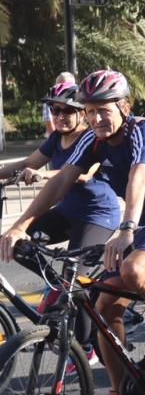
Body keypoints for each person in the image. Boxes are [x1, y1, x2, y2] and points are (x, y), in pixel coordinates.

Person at [0, 69, 145, 395]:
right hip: (140, 224)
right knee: (104, 306)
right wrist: (21, 226)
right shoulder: (92, 140)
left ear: (124, 106)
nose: (95, 118)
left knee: (133, 272)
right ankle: (119, 393)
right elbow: (63, 179)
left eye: (103, 110)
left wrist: (125, 230)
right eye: (90, 111)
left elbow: (138, 177)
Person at [0, 80, 121, 369]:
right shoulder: (56, 139)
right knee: (15, 243)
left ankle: (86, 345)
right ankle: (58, 288)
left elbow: (85, 174)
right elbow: (27, 162)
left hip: (97, 216)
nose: (60, 116)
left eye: (67, 110)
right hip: (66, 214)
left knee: (74, 282)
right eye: (54, 110)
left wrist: (44, 176)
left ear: (82, 112)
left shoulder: (91, 139)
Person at [42, 71, 75, 136]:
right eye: (59, 85)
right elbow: (50, 126)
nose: (62, 88)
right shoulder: (49, 100)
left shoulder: (79, 98)